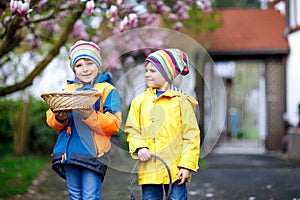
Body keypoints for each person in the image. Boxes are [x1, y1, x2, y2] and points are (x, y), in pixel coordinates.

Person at [45, 40, 122, 200]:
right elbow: (54, 121)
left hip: (93, 154)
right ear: (73, 69)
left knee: (89, 196)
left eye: (89, 63)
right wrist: (59, 118)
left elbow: (114, 124)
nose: (85, 69)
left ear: (98, 65)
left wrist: (90, 116)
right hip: (69, 152)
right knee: (74, 195)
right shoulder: (67, 90)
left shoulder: (107, 90)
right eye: (79, 65)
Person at [125, 49, 200, 200]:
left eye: (152, 70)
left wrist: (186, 165)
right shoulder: (139, 101)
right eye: (146, 70)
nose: (147, 74)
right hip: (150, 168)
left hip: (176, 169)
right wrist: (140, 147)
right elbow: (132, 129)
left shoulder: (181, 102)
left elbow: (191, 136)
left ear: (168, 73)